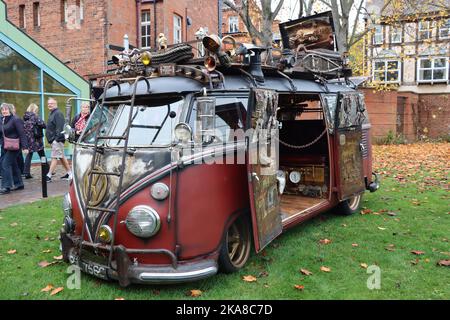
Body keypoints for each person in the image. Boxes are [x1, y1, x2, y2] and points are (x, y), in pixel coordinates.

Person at [0, 103, 28, 194]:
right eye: (2, 110)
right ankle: (19, 184)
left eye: (6, 109)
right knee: (13, 164)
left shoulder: (15, 119)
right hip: (5, 146)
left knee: (5, 164)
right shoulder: (2, 120)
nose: (4, 111)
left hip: (15, 146)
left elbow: (22, 133)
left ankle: (6, 187)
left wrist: (25, 147)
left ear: (10, 110)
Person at [45, 98, 72, 182]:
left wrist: (56, 140)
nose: (49, 105)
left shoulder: (58, 113)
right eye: (48, 103)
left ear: (56, 104)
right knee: (61, 157)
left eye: (51, 103)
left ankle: (48, 175)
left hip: (57, 140)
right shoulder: (52, 113)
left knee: (54, 157)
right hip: (55, 140)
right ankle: (70, 173)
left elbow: (60, 128)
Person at [23, 103, 46, 179]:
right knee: (42, 154)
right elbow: (43, 125)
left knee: (29, 156)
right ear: (34, 109)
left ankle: (26, 172)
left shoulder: (25, 117)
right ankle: (47, 170)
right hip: (36, 139)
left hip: (28, 139)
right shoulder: (35, 117)